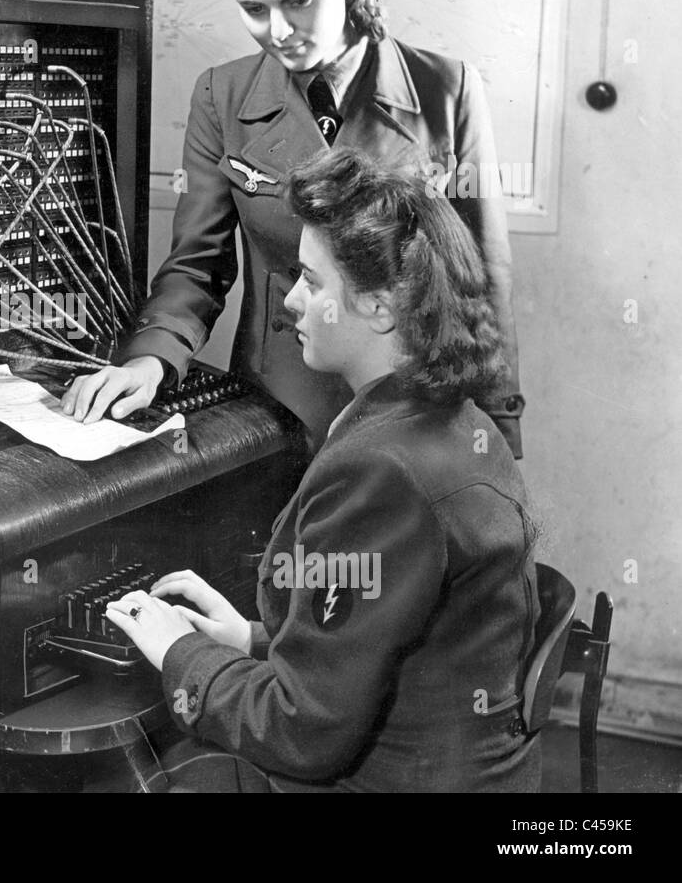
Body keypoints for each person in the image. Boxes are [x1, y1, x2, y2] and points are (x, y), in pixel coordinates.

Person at [104, 147, 542, 792]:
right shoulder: (458, 422)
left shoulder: (381, 472)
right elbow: (388, 640)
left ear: (381, 306)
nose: (291, 304)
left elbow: (301, 734)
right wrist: (249, 641)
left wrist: (181, 653)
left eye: (312, 280)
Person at [60, 0, 525, 457]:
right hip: (277, 407)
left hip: (413, 411)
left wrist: (496, 433)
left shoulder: (447, 89)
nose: (278, 31)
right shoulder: (221, 94)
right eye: (255, 9)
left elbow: (481, 279)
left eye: (299, 0)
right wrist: (151, 359)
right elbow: (197, 265)